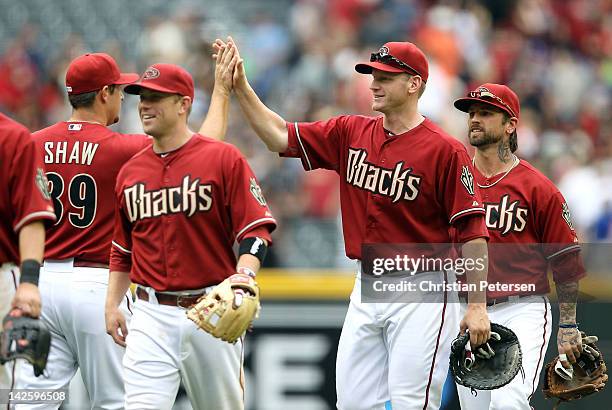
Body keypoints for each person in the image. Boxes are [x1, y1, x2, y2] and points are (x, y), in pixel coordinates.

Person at [217, 38, 491, 409]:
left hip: (422, 288)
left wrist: (476, 305)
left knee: (413, 403)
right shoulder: (351, 131)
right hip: (367, 283)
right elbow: (279, 136)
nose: (374, 83)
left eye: (386, 77)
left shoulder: (445, 150)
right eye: (372, 75)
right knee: (352, 403)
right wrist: (242, 89)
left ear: (414, 84)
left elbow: (474, 232)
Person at [16, 48, 236, 409]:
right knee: (117, 402)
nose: (123, 97)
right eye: (119, 90)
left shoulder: (31, 142)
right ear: (104, 94)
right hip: (95, 287)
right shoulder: (120, 148)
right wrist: (223, 93)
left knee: (31, 401)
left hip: (39, 285)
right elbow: (203, 150)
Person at [106, 59, 276, 410]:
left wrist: (244, 275)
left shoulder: (222, 159)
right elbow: (123, 250)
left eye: (156, 97)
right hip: (149, 314)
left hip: (209, 310)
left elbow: (257, 228)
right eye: (141, 97)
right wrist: (112, 304)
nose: (145, 105)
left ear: (183, 104)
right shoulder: (130, 173)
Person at [453, 83, 586, 409]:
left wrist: (568, 325)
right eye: (471, 113)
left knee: (507, 401)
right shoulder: (453, 180)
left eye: (485, 112)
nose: (474, 119)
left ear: (511, 124)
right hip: (468, 310)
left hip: (520, 309)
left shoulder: (539, 189)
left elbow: (566, 262)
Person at [0, 112, 55, 391]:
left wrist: (29, 283)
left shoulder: (12, 137)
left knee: (3, 387)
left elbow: (32, 217)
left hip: (1, 277)